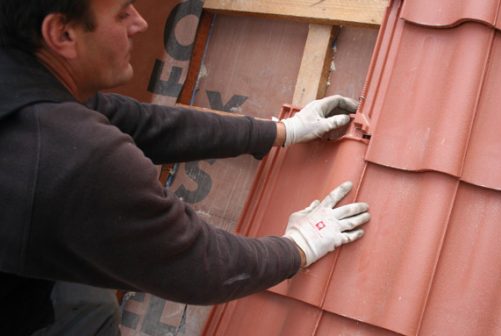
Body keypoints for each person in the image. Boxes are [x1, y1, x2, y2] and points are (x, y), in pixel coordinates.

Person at [0, 0, 371, 334]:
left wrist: (280, 131)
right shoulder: (70, 157)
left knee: (89, 302)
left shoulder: (24, 76)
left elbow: (144, 124)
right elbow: (201, 266)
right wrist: (298, 246)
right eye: (122, 11)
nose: (139, 22)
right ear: (62, 33)